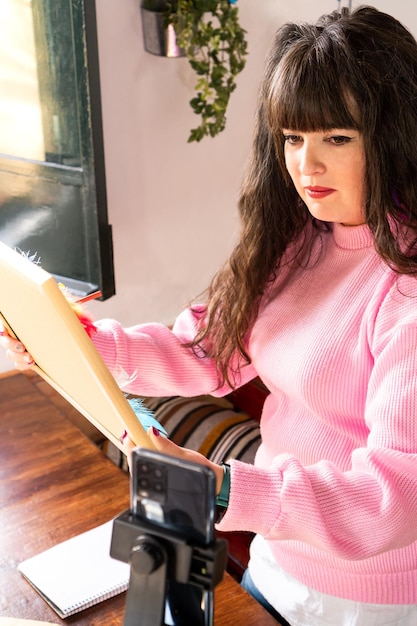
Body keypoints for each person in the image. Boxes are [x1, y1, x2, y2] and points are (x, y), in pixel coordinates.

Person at [4, 5, 417, 624]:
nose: (306, 166)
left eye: (337, 137)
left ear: (395, 136)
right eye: (293, 138)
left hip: (364, 595)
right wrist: (78, 343)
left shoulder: (404, 289)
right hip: (277, 554)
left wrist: (227, 487)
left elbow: (393, 499)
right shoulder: (301, 237)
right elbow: (206, 350)